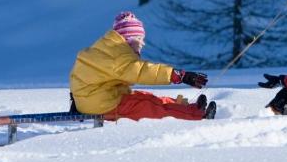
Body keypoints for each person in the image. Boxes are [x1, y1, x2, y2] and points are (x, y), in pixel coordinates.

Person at [69, 11, 216, 121]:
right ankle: (197, 115)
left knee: (145, 97)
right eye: (139, 39)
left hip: (94, 100)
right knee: (150, 106)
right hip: (104, 105)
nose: (142, 43)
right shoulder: (117, 55)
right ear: (128, 38)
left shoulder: (106, 48)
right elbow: (141, 71)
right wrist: (178, 75)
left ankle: (187, 107)